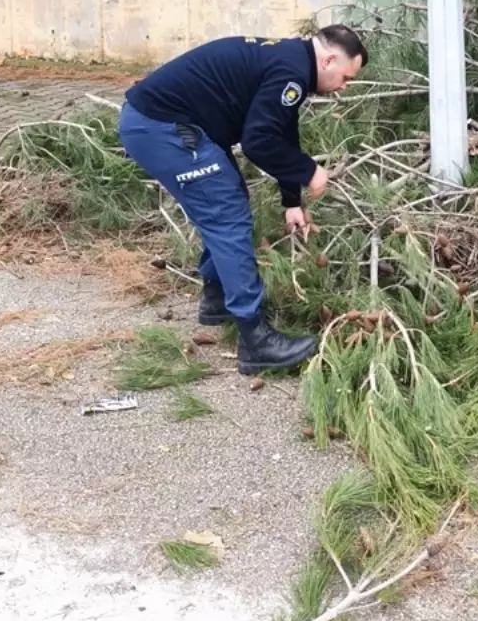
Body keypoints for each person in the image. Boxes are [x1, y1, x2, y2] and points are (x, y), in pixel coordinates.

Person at [119, 26, 367, 373]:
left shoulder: (292, 61)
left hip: (167, 122)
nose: (343, 88)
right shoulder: (292, 71)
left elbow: (281, 129)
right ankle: (256, 340)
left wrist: (290, 200)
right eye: (345, 77)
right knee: (226, 213)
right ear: (328, 59)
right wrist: (310, 171)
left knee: (225, 199)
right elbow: (258, 141)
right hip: (161, 127)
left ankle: (217, 297)